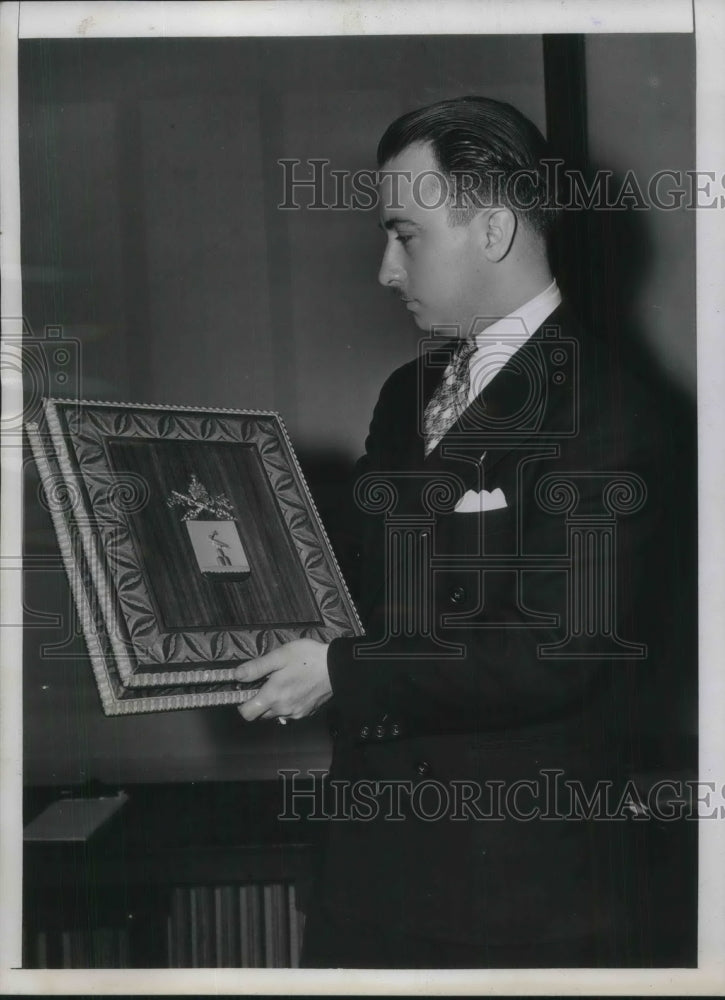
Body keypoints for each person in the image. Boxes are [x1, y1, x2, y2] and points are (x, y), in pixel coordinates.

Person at [235, 96, 673, 967]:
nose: (385, 270)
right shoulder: (408, 392)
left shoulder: (606, 406)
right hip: (367, 873)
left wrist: (337, 670)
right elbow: (350, 577)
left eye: (405, 235)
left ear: (496, 228)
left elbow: (553, 649)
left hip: (508, 904)